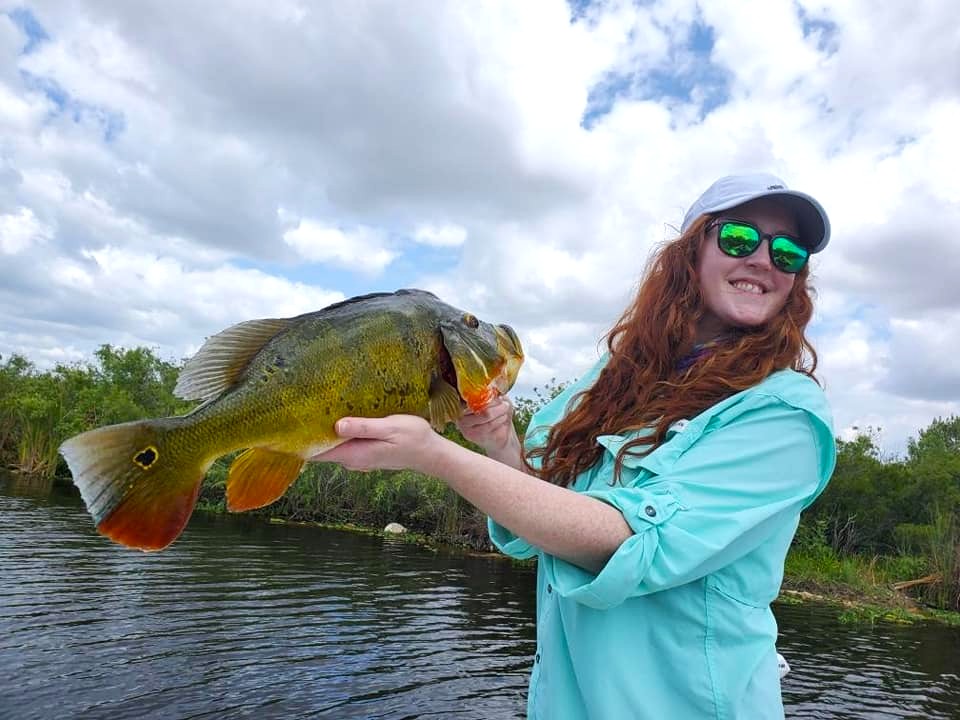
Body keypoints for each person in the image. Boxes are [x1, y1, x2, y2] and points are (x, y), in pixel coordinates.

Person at [313, 172, 837, 719]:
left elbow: (626, 543)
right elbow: (540, 517)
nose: (762, 260)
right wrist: (499, 444)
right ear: (691, 252)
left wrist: (437, 456)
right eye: (738, 239)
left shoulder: (785, 415)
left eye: (787, 252)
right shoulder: (611, 377)